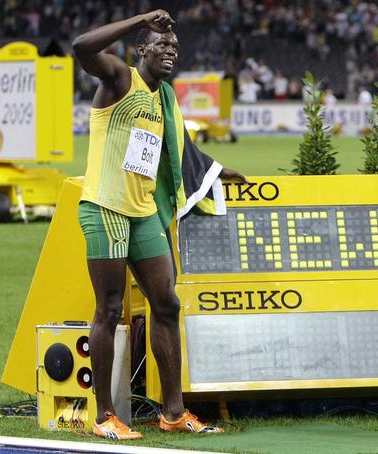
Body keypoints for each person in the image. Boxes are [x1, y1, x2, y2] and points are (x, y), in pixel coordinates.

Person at [72, 10, 247, 440]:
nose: (170, 51)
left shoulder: (164, 98)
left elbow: (182, 149)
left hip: (143, 211)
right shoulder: (118, 79)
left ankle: (173, 412)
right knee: (109, 309)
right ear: (141, 50)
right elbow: (81, 47)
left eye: (175, 47)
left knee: (166, 304)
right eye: (161, 45)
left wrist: (217, 173)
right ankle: (105, 417)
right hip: (105, 208)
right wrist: (137, 20)